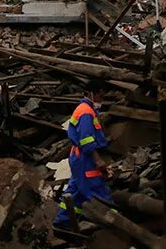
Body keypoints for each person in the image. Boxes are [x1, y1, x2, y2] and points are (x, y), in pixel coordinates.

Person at [54, 80, 114, 228]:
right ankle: (114, 223)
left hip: (79, 157)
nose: (102, 98)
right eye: (101, 95)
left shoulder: (85, 109)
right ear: (92, 93)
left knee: (75, 192)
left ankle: (62, 223)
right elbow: (86, 140)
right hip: (85, 157)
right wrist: (98, 160)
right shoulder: (86, 112)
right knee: (97, 189)